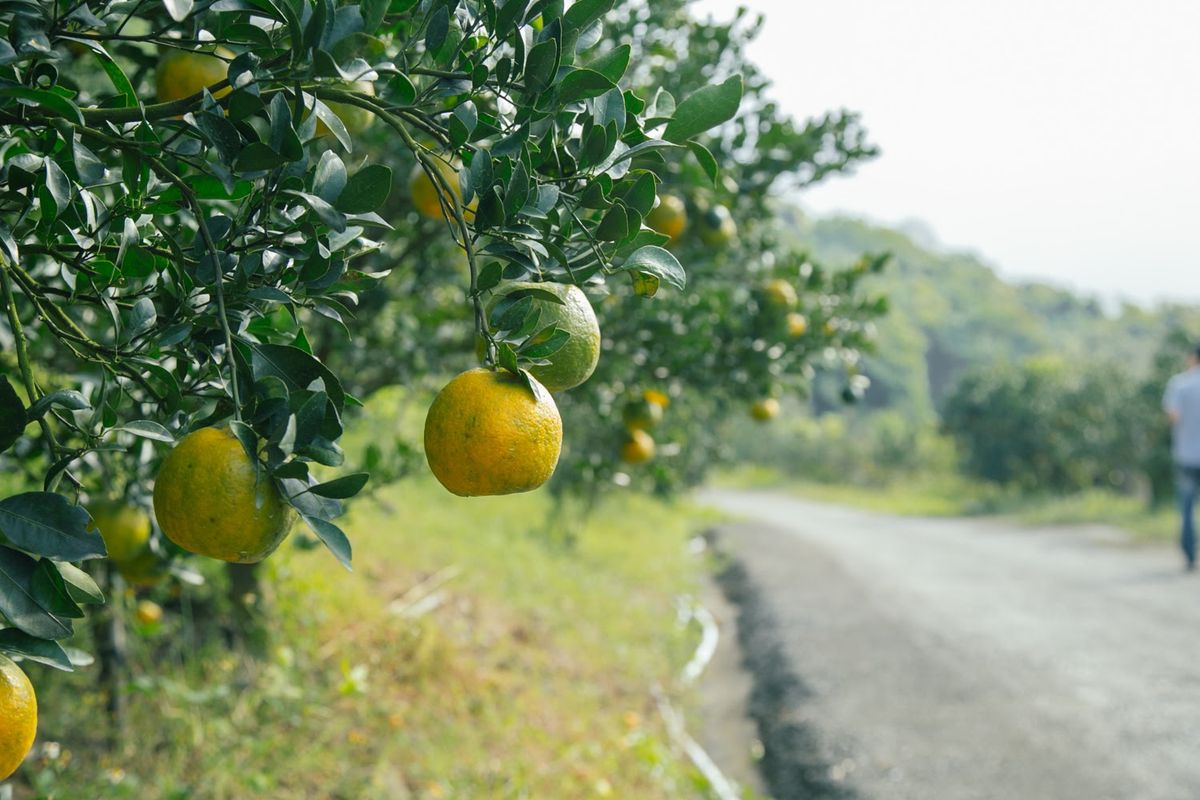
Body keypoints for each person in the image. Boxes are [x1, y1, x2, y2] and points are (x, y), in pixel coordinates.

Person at [1164, 343, 1200, 571]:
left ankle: (1190, 556)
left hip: (1187, 454)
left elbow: (1173, 416)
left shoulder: (1180, 384)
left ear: (1191, 358)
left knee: (1187, 508)